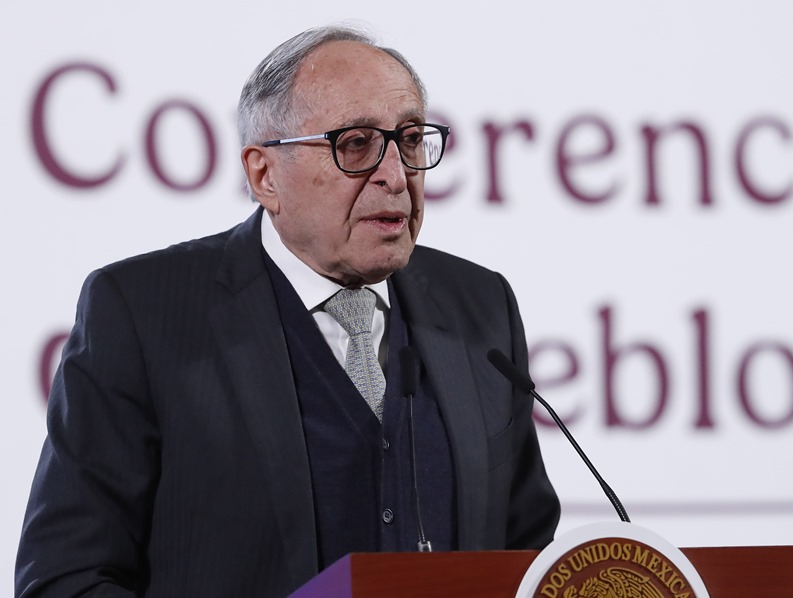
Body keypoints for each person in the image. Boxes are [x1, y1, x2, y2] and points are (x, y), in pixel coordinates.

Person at [16, 25, 560, 597]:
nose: (396, 175)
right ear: (263, 174)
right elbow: (65, 579)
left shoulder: (480, 305)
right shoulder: (142, 312)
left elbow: (528, 555)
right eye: (355, 144)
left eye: (409, 139)